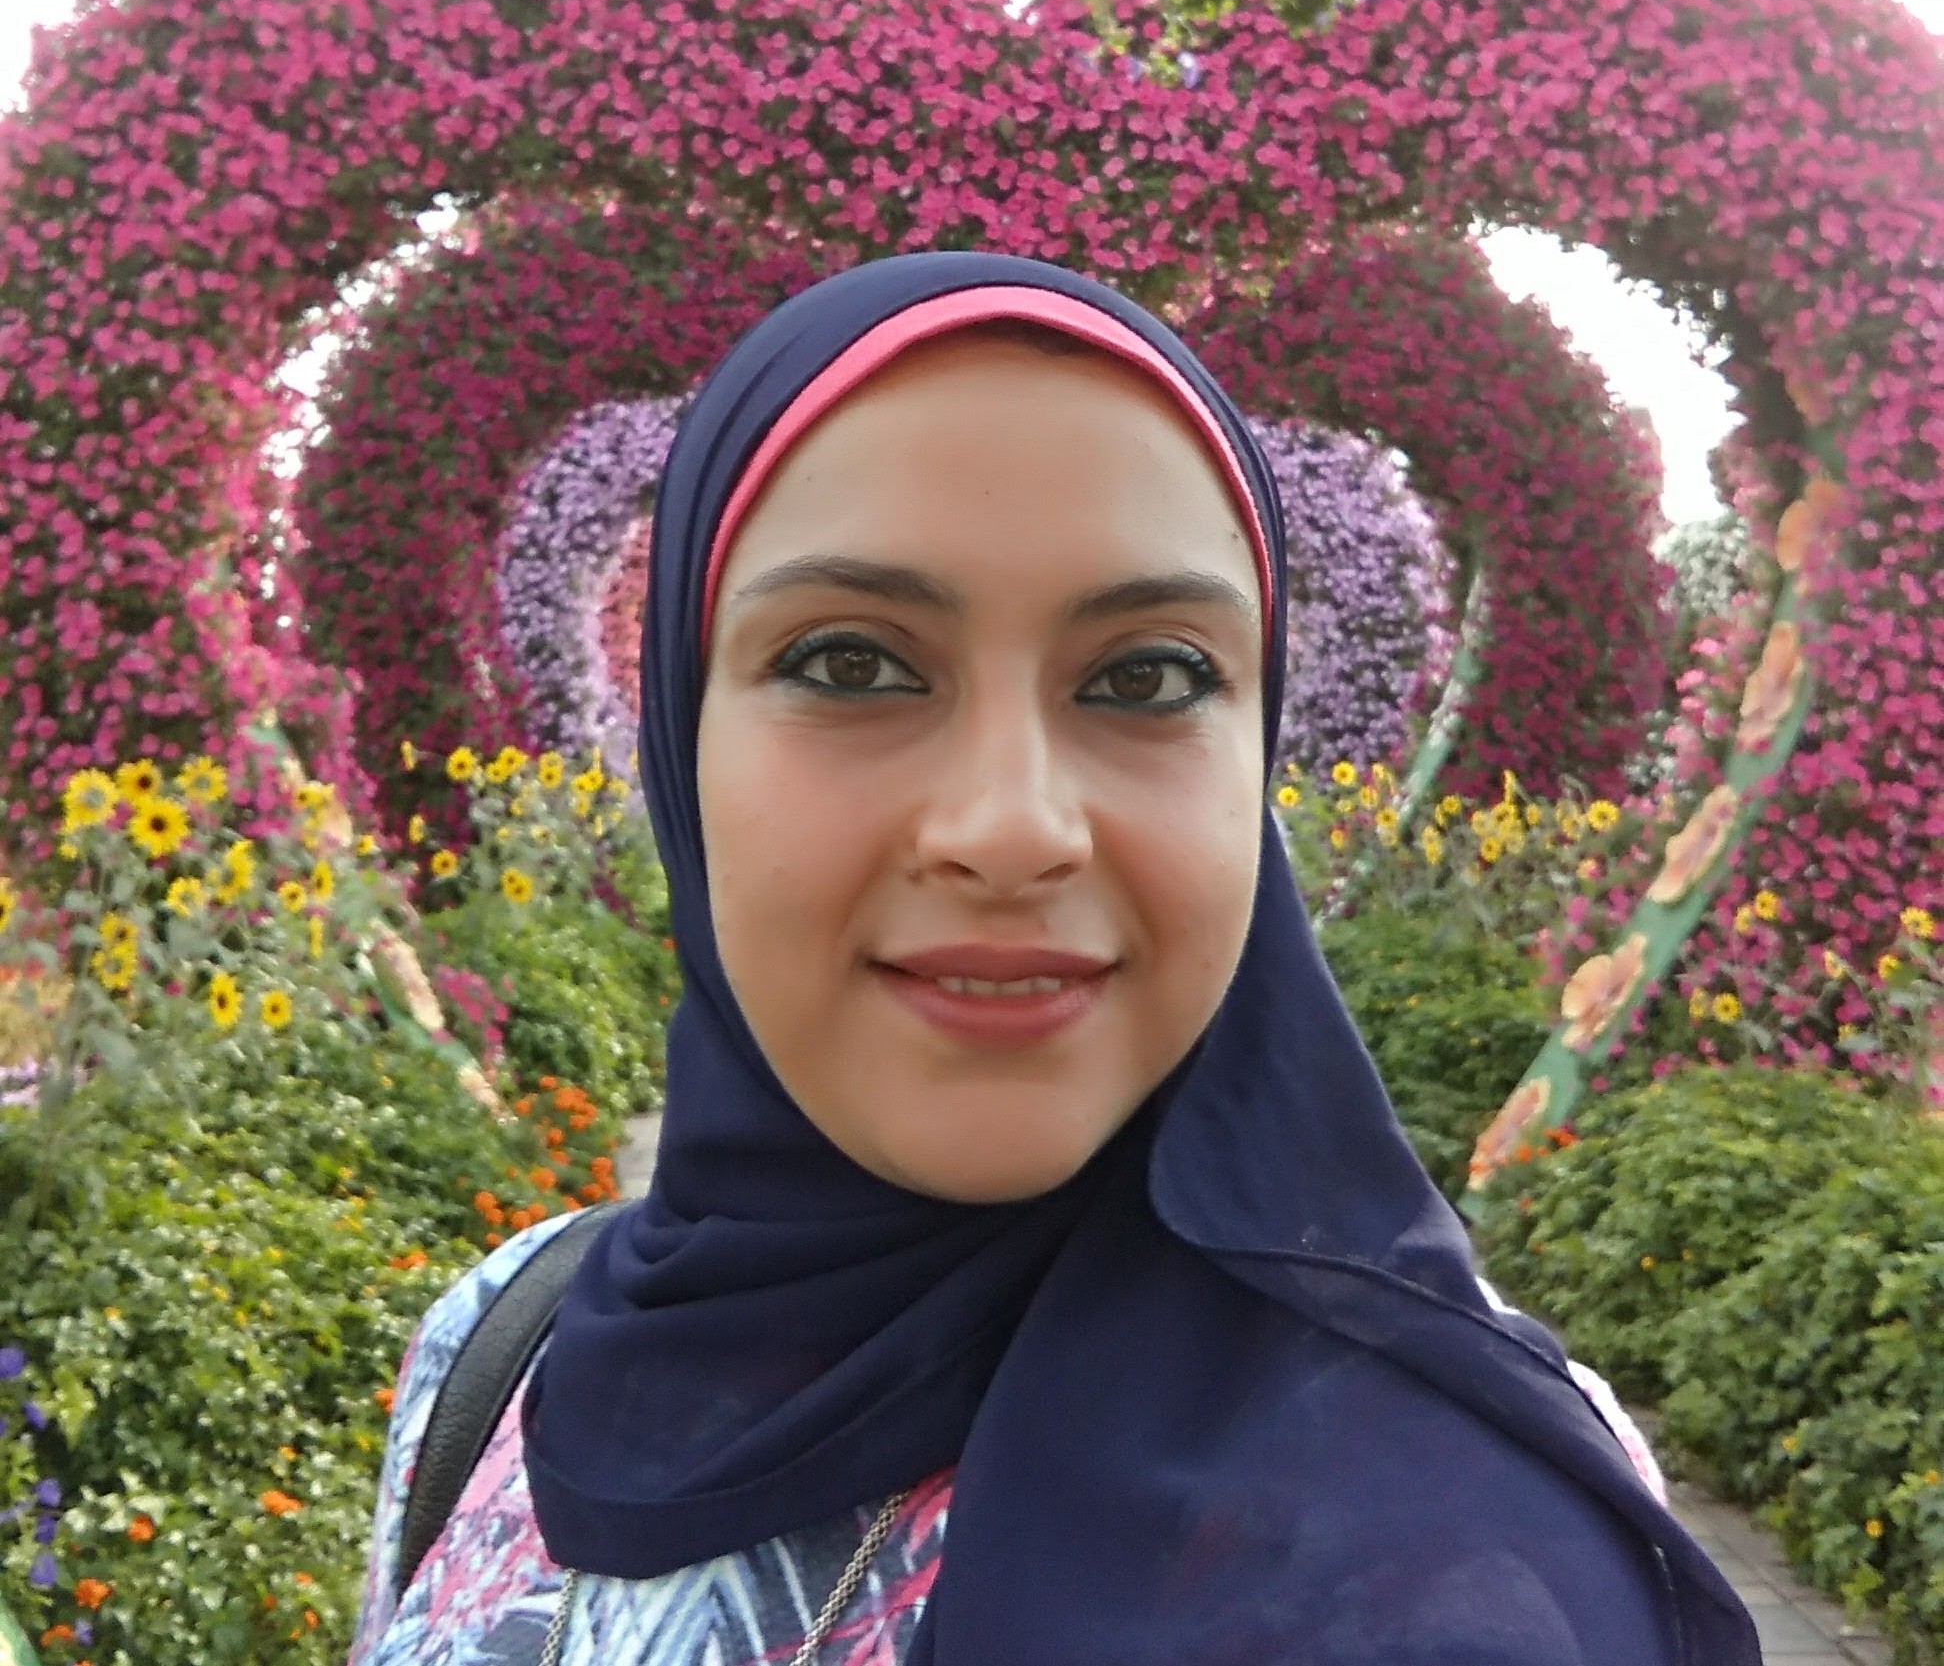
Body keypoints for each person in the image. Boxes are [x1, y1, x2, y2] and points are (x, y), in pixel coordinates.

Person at [347, 252, 1759, 1665]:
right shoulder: (504, 1346)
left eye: (1147, 676)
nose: (1011, 829)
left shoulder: (1465, 1559)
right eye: (851, 664)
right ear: (682, 736)